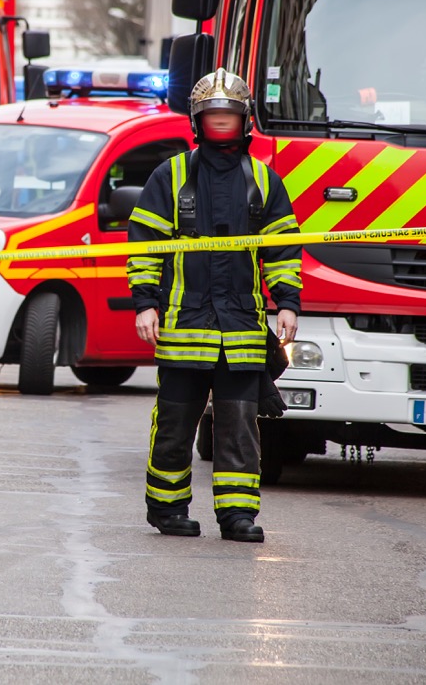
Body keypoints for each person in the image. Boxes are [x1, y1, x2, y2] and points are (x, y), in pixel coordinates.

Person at [127, 68, 302, 543]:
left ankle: (237, 516)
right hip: (184, 328)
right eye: (213, 116)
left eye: (229, 116)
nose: (220, 123)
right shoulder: (172, 176)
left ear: (245, 121)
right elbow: (145, 246)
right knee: (174, 427)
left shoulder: (264, 182)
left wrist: (287, 302)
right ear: (197, 121)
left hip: (241, 332)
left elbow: (283, 251)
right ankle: (167, 509)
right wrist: (145, 304)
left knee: (239, 429)